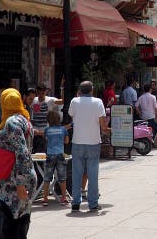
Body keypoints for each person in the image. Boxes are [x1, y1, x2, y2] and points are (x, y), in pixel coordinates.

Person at [0, 89, 35, 239]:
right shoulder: (23, 119)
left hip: (12, 183)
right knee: (16, 224)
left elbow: (22, 153)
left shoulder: (12, 122)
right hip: (12, 180)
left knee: (11, 226)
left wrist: (20, 184)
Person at [68, 81, 110, 212]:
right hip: (93, 142)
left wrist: (77, 96)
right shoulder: (98, 102)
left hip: (77, 142)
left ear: (80, 90)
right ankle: (93, 203)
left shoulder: (74, 101)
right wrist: (110, 130)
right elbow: (103, 126)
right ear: (92, 90)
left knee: (77, 173)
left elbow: (71, 114)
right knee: (93, 174)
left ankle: (75, 202)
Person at [42, 110, 69, 207]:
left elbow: (46, 140)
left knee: (47, 178)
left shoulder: (47, 130)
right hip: (60, 154)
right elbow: (66, 141)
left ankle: (45, 198)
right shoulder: (63, 129)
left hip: (50, 154)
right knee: (62, 177)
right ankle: (63, 198)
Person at [31, 83, 64, 153]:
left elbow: (62, 101)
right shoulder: (34, 100)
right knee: (35, 154)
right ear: (36, 92)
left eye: (43, 93)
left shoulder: (51, 100)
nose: (40, 95)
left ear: (46, 92)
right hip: (34, 132)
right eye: (39, 93)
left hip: (45, 133)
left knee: (45, 153)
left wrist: (62, 89)